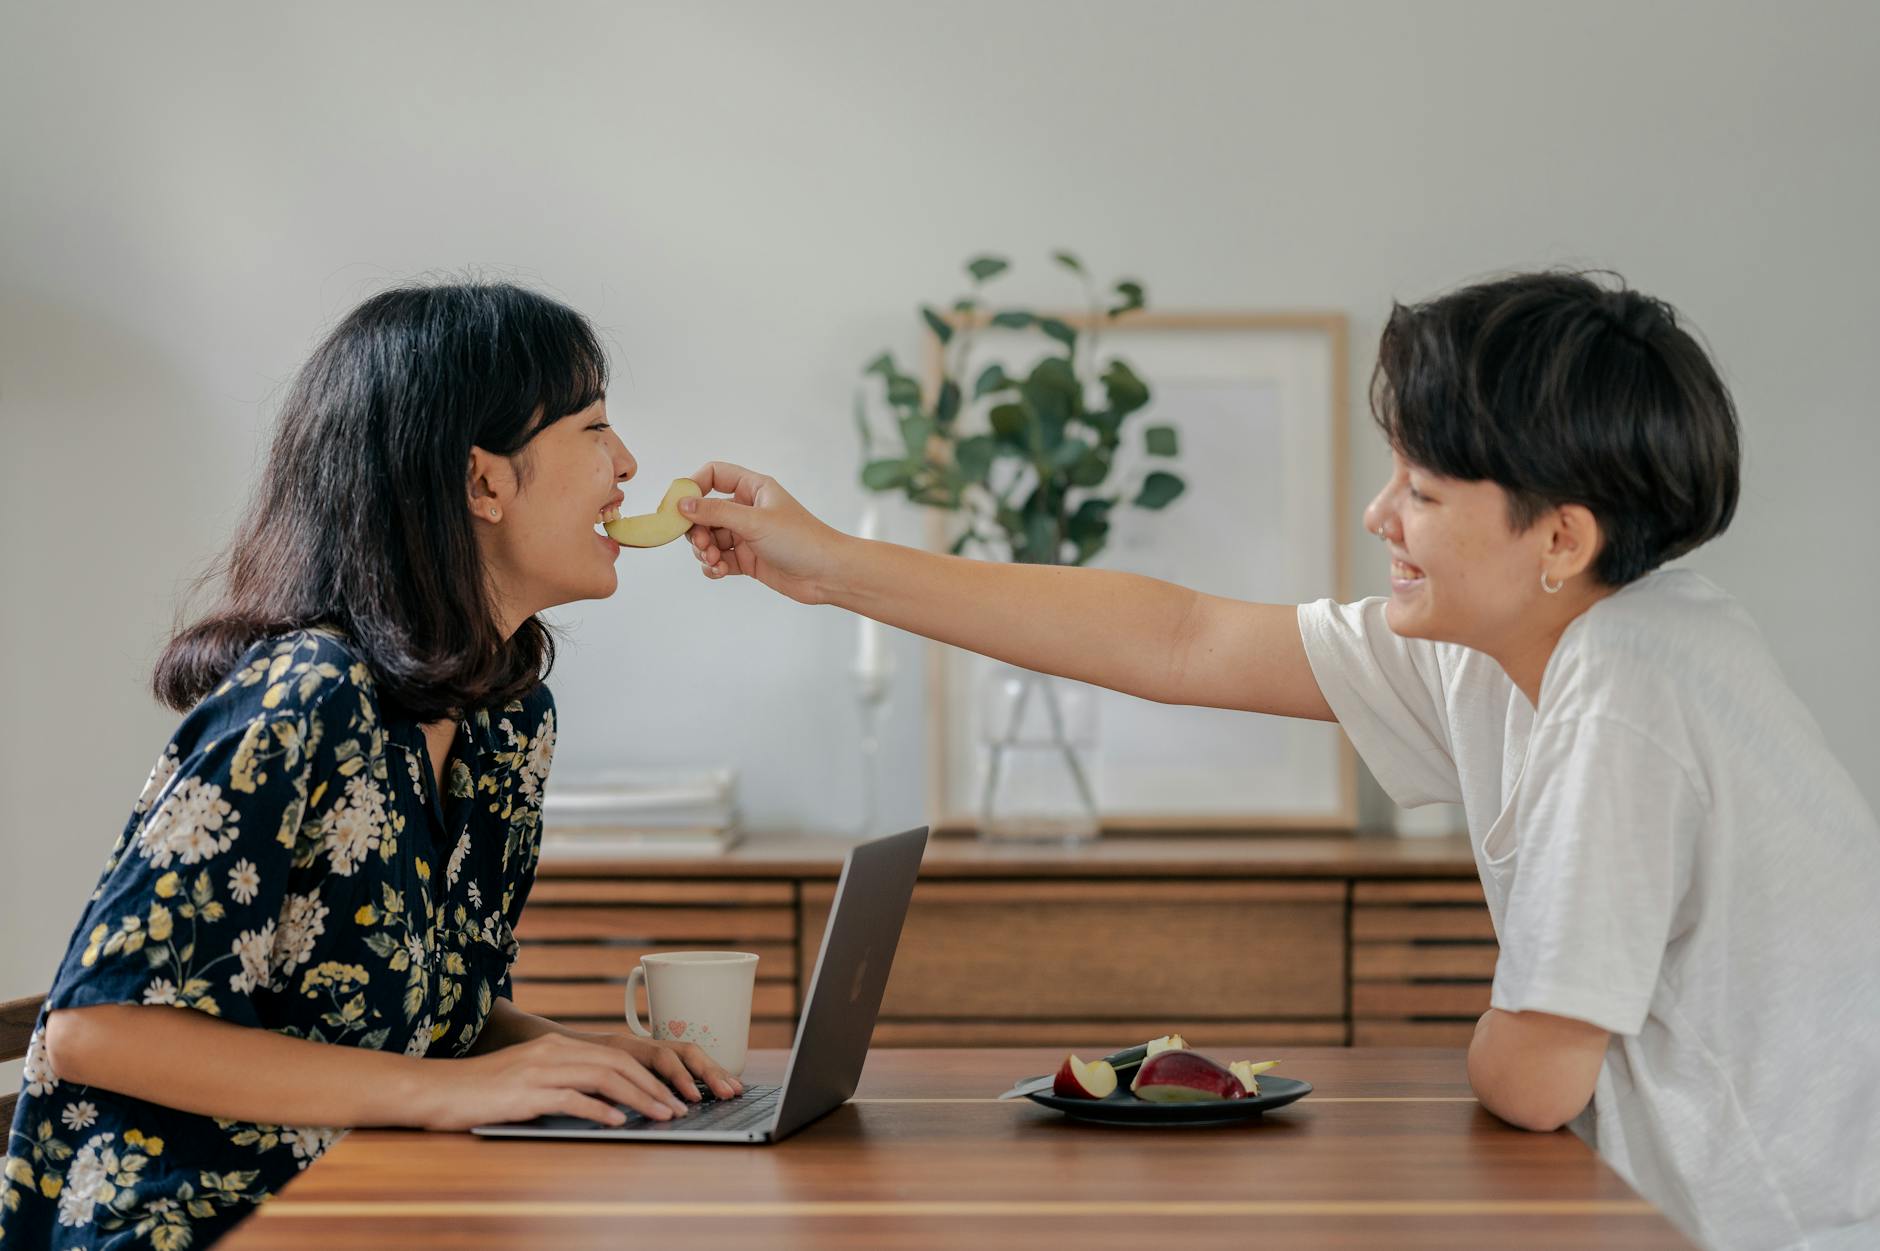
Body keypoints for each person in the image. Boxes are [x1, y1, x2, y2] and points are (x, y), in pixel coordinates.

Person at [674, 271, 1879, 1251]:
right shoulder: (1521, 643)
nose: (1378, 518)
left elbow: (1531, 1080)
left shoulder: (1626, 689)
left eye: (1419, 489)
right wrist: (825, 563)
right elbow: (1180, 638)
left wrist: (1502, 1031)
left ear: (1558, 537)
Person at [1, 281, 741, 1250]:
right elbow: (98, 1031)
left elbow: (429, 996)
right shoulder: (306, 696)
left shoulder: (506, 717)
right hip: (207, 1225)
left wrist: (587, 1061)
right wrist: (455, 1089)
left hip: (376, 1194)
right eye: (593, 427)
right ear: (482, 483)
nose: (628, 465)